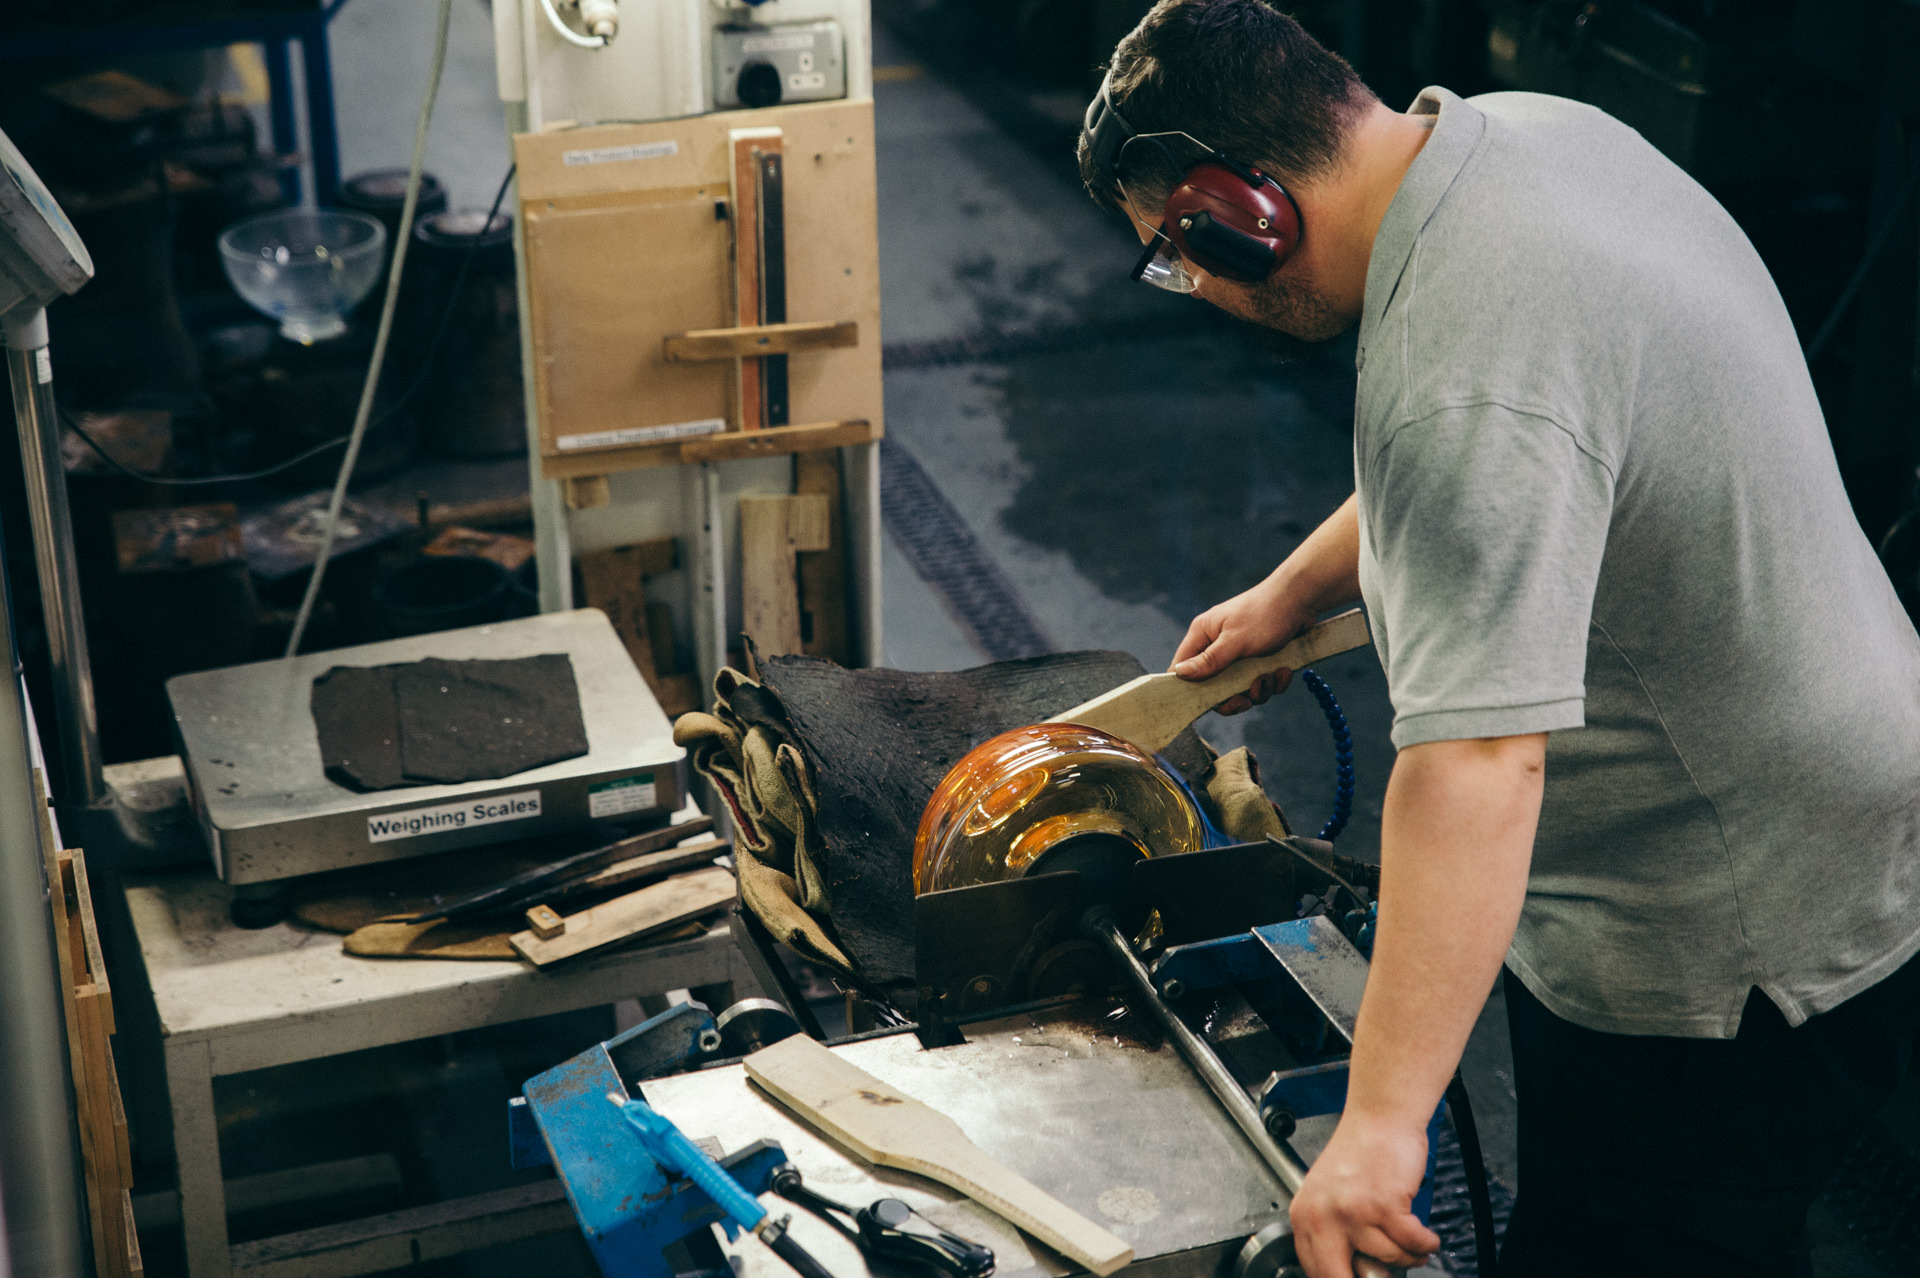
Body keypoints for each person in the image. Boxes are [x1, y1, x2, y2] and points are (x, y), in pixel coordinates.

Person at [1076, 3, 1920, 1276]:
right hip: (1844, 778)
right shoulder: (1524, 144)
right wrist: (1291, 592)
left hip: (1728, 925)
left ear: (1236, 217)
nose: (1190, 286)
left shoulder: (1458, 382)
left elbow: (1477, 767)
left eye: (1174, 254)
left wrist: (1374, 1128)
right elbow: (1537, 433)